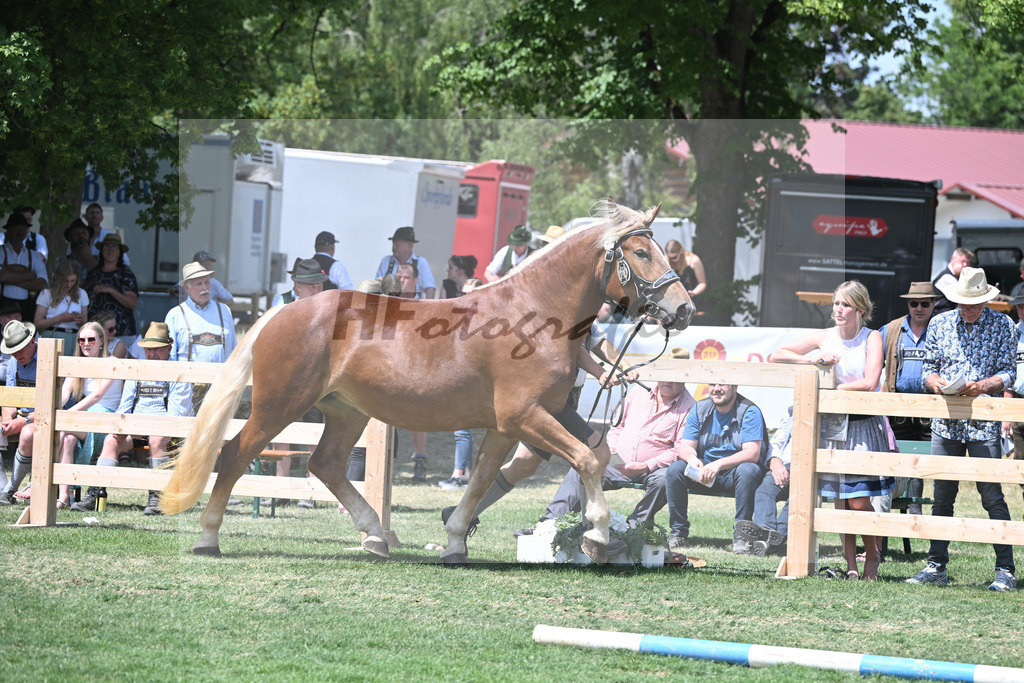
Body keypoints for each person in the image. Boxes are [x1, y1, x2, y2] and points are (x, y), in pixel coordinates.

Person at [769, 280, 892, 580]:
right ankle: (851, 565)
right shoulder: (825, 336)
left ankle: (872, 556)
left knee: (860, 500)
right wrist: (810, 359)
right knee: (840, 499)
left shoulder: (872, 337)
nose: (838, 309)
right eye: (836, 303)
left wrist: (833, 387)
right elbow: (776, 354)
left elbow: (870, 381)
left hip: (863, 425)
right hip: (834, 426)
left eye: (845, 304)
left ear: (860, 309)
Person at [907, 267, 1018, 591]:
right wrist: (936, 383)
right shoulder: (940, 324)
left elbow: (1009, 373)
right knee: (942, 496)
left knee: (992, 496)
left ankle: (1005, 569)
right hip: (946, 422)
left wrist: (983, 385)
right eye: (962, 303)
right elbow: (928, 369)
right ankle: (936, 564)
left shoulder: (1003, 325)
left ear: (985, 301)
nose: (967, 309)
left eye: (973, 304)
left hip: (983, 423)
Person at [518, 349, 696, 532]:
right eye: (665, 374)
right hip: (617, 462)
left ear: (685, 378)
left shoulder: (690, 407)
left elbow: (678, 450)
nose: (668, 380)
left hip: (652, 470)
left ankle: (634, 528)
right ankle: (550, 522)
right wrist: (609, 451)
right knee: (582, 465)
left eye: (675, 376)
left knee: (664, 479)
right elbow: (618, 426)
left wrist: (646, 466)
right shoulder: (638, 392)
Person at [72, 323, 192, 514]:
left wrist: (141, 426)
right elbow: (124, 408)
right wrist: (122, 428)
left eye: (157, 349)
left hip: (169, 431)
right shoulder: (136, 371)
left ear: (169, 348)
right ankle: (96, 493)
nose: (151, 354)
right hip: (137, 428)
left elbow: (174, 417)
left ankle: (157, 497)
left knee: (156, 437)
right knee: (112, 439)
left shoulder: (179, 373)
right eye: (148, 350)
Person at [663, 383, 767, 554]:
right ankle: (678, 533)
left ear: (734, 387)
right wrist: (692, 459)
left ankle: (742, 536)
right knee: (675, 469)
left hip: (734, 473)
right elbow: (685, 447)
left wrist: (718, 464)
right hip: (704, 471)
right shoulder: (700, 409)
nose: (716, 389)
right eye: (712, 384)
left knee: (749, 469)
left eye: (722, 384)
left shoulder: (749, 410)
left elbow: (752, 453)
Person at [266, 259, 328, 508]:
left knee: (313, 433)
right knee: (282, 434)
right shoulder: (281, 302)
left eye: (319, 285)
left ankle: (310, 492)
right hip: (286, 377)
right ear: (298, 286)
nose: (317, 290)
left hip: (316, 377)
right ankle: (281, 489)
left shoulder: (325, 306)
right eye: (312, 286)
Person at [880, 282, 941, 515]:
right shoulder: (891, 330)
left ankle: (922, 512)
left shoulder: (941, 329)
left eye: (924, 303)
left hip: (931, 406)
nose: (918, 308)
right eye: (913, 303)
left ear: (933, 303)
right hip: (899, 406)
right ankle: (896, 507)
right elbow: (874, 363)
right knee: (899, 458)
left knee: (929, 461)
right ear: (907, 303)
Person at [53, 321, 123, 508]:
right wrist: (51, 410)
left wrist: (65, 415)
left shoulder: (113, 362)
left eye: (91, 339)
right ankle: (63, 496)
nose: (86, 343)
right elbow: (64, 394)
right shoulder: (77, 364)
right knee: (67, 439)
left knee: (59, 429)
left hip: (107, 419)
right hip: (83, 417)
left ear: (101, 341)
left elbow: (97, 396)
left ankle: (38, 481)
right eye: (81, 340)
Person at [164, 261, 237, 409]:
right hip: (184, 392)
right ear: (187, 288)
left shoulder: (225, 311)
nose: (205, 288)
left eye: (207, 282)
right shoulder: (175, 314)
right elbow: (170, 358)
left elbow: (233, 352)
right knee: (182, 431)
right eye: (198, 284)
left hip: (219, 389)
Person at [438, 275, 483, 490]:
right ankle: (466, 472)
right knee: (461, 428)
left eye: (469, 293)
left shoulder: (479, 319)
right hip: (462, 376)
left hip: (470, 378)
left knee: (460, 429)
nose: (464, 297)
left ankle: (458, 474)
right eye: (462, 293)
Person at [734, 405, 792, 556]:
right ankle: (765, 533)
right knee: (764, 491)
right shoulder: (792, 410)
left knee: (798, 500)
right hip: (785, 464)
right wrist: (775, 462)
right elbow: (777, 442)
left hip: (814, 468)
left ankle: (768, 543)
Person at [0, 321, 41, 505]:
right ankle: (3, 488)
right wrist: (8, 421)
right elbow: (9, 400)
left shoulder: (47, 360)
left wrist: (22, 423)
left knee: (26, 433)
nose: (16, 355)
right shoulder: (12, 364)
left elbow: (55, 405)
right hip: (24, 417)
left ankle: (10, 490)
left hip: (48, 416)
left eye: (20, 349)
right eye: (12, 351)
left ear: (32, 341)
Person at [84, 233, 138, 346]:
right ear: (102, 251)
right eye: (106, 247)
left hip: (122, 332)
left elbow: (132, 303)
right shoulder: (93, 273)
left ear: (119, 253)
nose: (110, 250)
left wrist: (111, 290)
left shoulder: (126, 274)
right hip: (95, 333)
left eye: (114, 247)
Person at [0, 212, 49, 321]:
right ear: (8, 230)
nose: (20, 232)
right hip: (2, 306)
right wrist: (30, 276)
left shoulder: (34, 256)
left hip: (26, 308)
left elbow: (43, 283)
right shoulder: (0, 252)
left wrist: (9, 278)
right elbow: (1, 276)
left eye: (23, 228)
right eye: (17, 228)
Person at [34, 260, 88, 356]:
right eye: (66, 281)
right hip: (52, 337)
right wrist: (59, 318)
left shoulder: (82, 294)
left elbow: (85, 324)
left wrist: (79, 321)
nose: (69, 284)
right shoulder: (46, 294)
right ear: (59, 278)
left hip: (73, 337)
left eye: (73, 281)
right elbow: (37, 323)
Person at [1003, 292, 1024, 506]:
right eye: (1020, 307)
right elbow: (1008, 375)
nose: (1023, 311)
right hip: (1018, 402)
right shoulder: (1013, 333)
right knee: (1020, 462)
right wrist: (1005, 416)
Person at [375, 226, 435, 299]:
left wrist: (428, 308)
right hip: (388, 306)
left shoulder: (420, 262)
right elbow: (376, 287)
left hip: (413, 307)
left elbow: (429, 288)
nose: (393, 247)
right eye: (393, 244)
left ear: (409, 246)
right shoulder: (386, 261)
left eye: (397, 244)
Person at [932, 247, 973, 316]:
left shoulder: (959, 276)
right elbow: (963, 297)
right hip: (941, 318)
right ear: (953, 259)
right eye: (963, 261)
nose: (965, 265)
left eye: (967, 263)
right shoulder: (946, 277)